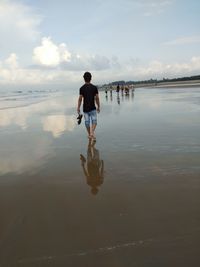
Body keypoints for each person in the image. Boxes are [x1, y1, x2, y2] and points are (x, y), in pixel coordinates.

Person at [77, 72, 100, 140]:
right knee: (94, 121)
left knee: (87, 122)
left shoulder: (81, 88)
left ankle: (90, 134)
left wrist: (78, 107)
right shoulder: (94, 88)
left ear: (84, 78)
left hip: (85, 109)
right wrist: (98, 106)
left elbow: (80, 99)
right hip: (93, 108)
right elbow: (97, 98)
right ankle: (92, 133)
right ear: (91, 78)